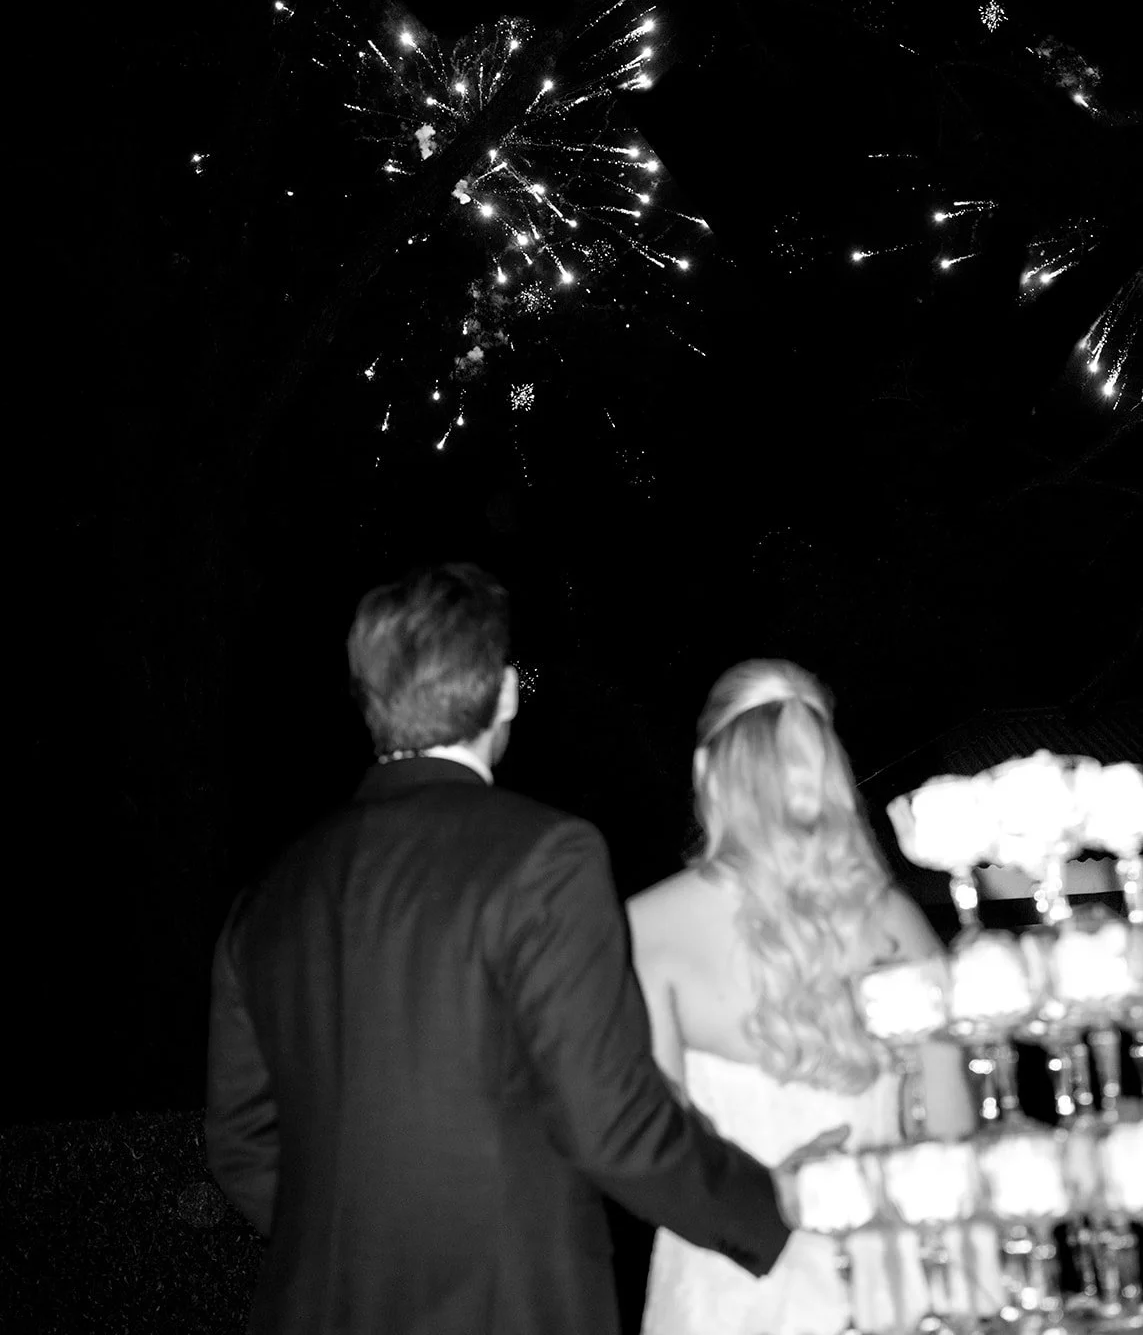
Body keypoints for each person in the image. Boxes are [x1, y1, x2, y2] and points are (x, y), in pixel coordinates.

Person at [205, 566, 844, 1335]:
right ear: (504, 693)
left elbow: (240, 1140)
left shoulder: (269, 897)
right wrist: (771, 1205)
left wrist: (358, 1247)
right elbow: (607, 1123)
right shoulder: (544, 856)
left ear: (368, 697)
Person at [629, 659, 1000, 1335]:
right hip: (886, 1288)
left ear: (708, 774)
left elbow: (654, 1163)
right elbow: (952, 1142)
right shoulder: (902, 928)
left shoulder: (644, 930)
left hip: (726, 1287)